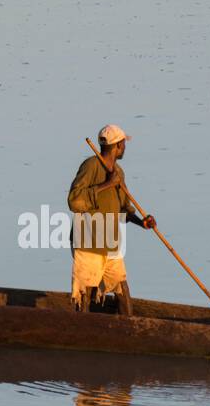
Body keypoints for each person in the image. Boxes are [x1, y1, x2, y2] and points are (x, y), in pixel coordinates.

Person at [66, 124, 156, 316]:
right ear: (119, 145)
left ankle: (130, 330)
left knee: (122, 290)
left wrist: (143, 222)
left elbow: (123, 209)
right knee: (86, 294)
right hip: (88, 242)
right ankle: (82, 334)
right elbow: (74, 200)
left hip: (111, 243)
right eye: (124, 143)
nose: (125, 147)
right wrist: (107, 184)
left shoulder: (119, 172)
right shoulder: (90, 166)